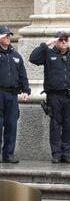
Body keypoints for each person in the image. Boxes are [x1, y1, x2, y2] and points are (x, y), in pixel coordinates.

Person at [29, 31, 70, 164]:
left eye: (65, 39)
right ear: (56, 41)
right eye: (60, 39)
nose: (63, 42)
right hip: (54, 95)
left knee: (68, 126)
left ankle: (66, 154)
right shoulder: (48, 54)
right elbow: (33, 58)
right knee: (55, 125)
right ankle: (56, 154)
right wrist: (46, 44)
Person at [0, 26, 30, 164]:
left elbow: (22, 75)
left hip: (12, 96)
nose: (8, 38)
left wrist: (26, 90)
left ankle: (8, 154)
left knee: (11, 125)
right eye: (5, 35)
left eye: (9, 35)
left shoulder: (16, 55)